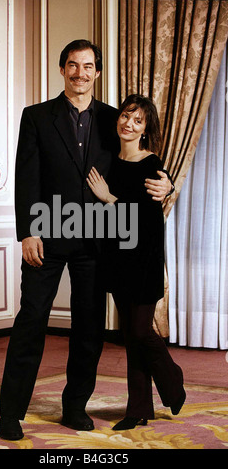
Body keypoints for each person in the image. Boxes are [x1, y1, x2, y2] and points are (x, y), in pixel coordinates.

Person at [0, 40, 173, 441]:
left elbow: (140, 165)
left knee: (89, 328)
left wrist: (167, 185)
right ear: (62, 70)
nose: (81, 72)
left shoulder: (116, 120)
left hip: (97, 242)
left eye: (88, 66)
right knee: (31, 321)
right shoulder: (36, 117)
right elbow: (27, 179)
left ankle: (75, 406)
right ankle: (12, 413)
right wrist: (27, 231)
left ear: (97, 72)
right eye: (73, 65)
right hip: (47, 234)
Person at [87, 94, 186, 431]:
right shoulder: (108, 162)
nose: (129, 124)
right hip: (117, 259)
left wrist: (109, 198)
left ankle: (172, 379)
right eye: (126, 116)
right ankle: (139, 408)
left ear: (145, 129)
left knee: (141, 332)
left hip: (143, 259)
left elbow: (142, 220)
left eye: (138, 120)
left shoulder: (152, 164)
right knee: (131, 335)